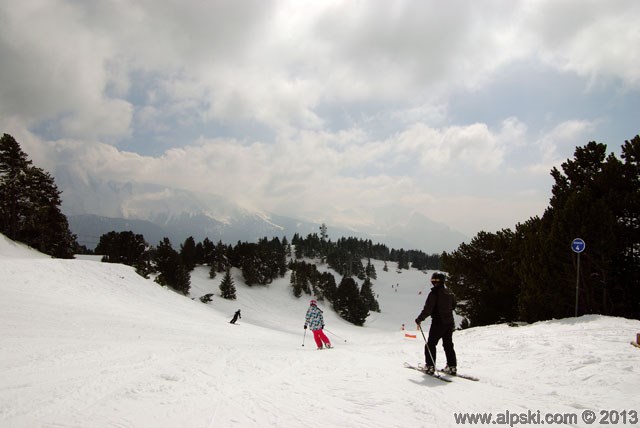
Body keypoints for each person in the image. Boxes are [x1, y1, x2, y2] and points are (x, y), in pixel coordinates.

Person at [415, 272, 457, 375]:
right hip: (449, 322)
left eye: (434, 280)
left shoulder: (434, 293)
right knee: (448, 344)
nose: (433, 282)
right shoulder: (449, 292)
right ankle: (452, 367)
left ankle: (430, 366)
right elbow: (454, 305)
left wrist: (419, 319)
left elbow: (428, 309)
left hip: (438, 322)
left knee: (430, 344)